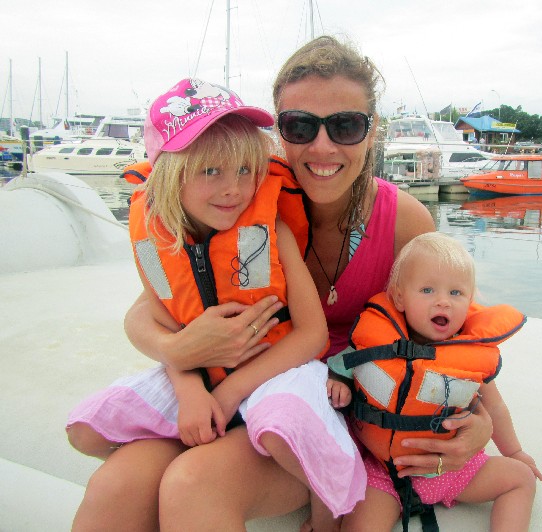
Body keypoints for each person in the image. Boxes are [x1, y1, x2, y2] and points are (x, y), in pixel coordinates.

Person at [72, 36, 493, 532]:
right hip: (224, 391)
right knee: (116, 487)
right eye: (300, 126)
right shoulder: (233, 210)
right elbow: (149, 310)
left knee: (194, 483)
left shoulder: (403, 222)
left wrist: (480, 423)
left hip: (330, 412)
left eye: (345, 125)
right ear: (279, 131)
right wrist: (179, 350)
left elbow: (457, 330)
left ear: (372, 129)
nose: (322, 146)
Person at [67, 77, 365, 531]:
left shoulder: (270, 233)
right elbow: (164, 321)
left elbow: (312, 334)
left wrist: (226, 395)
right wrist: (191, 394)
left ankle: (321, 484)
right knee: (93, 446)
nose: (234, 190)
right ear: (170, 173)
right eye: (212, 172)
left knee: (222, 464)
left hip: (271, 382)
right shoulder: (156, 242)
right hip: (199, 383)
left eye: (246, 171)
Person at [330, 232, 542, 531]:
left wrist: (514, 452)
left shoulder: (469, 356)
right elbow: (341, 367)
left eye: (456, 293)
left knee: (521, 478)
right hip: (387, 474)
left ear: (469, 301)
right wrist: (337, 381)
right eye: (428, 290)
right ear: (400, 297)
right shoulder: (374, 345)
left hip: (458, 469)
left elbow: (495, 408)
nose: (443, 302)